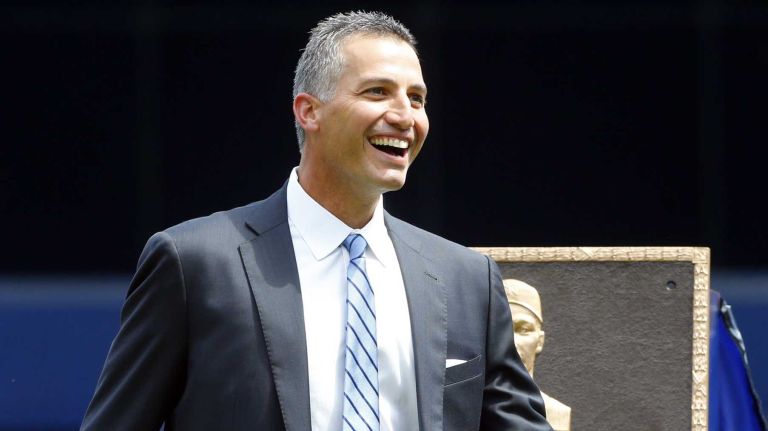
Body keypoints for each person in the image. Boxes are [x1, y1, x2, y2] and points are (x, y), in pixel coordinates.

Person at [81, 11, 551, 431]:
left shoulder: (466, 279)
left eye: (417, 98)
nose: (405, 116)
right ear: (309, 111)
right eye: (378, 92)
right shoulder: (194, 264)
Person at [503, 279, 571, 431]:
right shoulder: (467, 411)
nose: (512, 342)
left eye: (523, 329)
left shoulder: (557, 413)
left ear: (540, 341)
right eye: (502, 329)